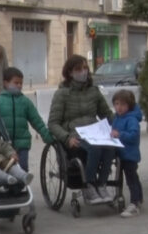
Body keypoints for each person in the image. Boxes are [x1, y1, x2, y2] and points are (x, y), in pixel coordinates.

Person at [47, 54, 115, 204]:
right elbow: (53, 123)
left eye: (85, 68)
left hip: (95, 131)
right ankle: (89, 185)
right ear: (70, 72)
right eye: (78, 69)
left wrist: (117, 127)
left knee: (111, 148)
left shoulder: (94, 91)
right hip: (74, 134)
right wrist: (66, 138)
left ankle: (102, 184)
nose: (83, 72)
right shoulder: (62, 94)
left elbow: (106, 114)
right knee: (94, 148)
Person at [0, 67, 54, 171]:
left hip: (22, 143)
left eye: (21, 83)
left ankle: (20, 186)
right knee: (7, 168)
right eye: (16, 83)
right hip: (3, 145)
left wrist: (47, 136)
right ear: (6, 83)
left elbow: (36, 121)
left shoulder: (25, 102)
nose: (19, 85)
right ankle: (10, 186)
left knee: (23, 167)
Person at [111, 89, 143, 218]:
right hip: (120, 154)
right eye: (117, 104)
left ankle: (135, 202)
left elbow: (134, 135)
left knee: (131, 179)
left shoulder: (131, 119)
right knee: (124, 178)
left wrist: (120, 135)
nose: (119, 107)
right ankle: (137, 198)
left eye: (123, 105)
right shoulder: (117, 118)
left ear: (129, 106)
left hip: (129, 155)